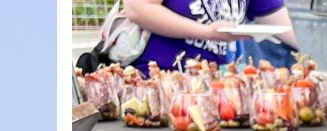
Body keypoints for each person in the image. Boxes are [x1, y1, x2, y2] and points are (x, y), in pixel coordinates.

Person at [118, 0, 298, 72]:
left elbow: (284, 26)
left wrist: (319, 51)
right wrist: (207, 33)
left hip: (214, 86)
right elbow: (137, 9)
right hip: (158, 82)